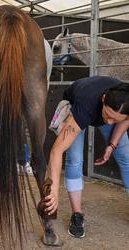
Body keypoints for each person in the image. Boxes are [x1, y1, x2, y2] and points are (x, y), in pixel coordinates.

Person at [45, 76, 129, 238]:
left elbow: (124, 120)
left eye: (115, 119)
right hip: (76, 105)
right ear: (103, 99)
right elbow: (56, 151)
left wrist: (112, 144)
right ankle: (77, 215)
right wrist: (54, 190)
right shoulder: (86, 105)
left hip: (110, 110)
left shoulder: (125, 105)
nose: (110, 122)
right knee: (75, 159)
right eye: (108, 115)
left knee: (126, 156)